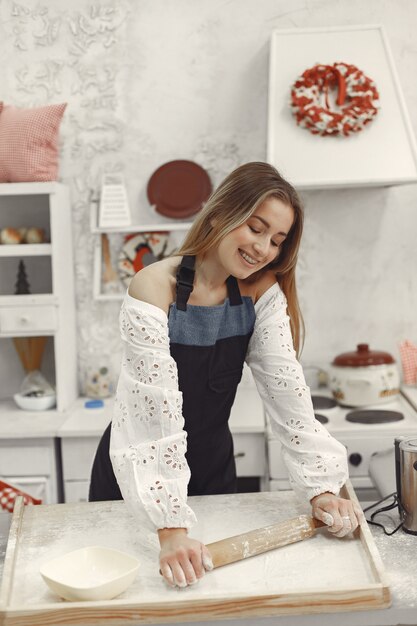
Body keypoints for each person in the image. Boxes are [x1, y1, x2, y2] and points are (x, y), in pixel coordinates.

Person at [89, 161, 364, 588]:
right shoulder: (153, 286)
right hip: (141, 480)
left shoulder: (260, 292)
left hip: (215, 471)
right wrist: (170, 529)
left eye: (277, 240)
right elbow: (150, 416)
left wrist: (323, 489)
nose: (264, 248)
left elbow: (286, 393)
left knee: (217, 597)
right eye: (255, 228)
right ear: (220, 213)